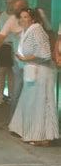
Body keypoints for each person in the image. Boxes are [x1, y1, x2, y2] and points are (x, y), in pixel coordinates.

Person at [0, 0, 52, 115]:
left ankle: (34, 119)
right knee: (17, 90)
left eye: (19, 10)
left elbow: (49, 34)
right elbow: (0, 37)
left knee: (37, 92)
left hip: (38, 61)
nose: (17, 14)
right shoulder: (13, 19)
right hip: (22, 61)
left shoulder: (38, 19)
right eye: (15, 10)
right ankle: (16, 120)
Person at [9, 8, 59, 146]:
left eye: (26, 17)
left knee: (40, 104)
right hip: (33, 72)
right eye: (21, 17)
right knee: (31, 103)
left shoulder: (36, 30)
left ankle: (42, 136)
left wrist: (25, 59)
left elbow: (45, 54)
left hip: (41, 73)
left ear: (33, 19)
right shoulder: (27, 31)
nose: (22, 19)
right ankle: (29, 131)